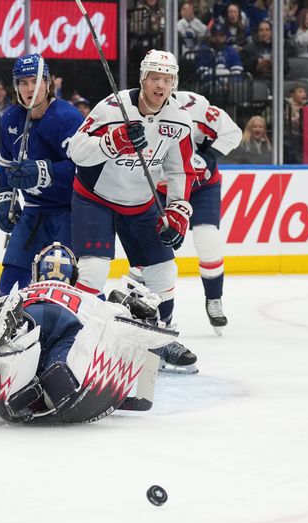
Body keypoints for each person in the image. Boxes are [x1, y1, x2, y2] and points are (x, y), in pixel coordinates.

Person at [67, 49, 199, 374]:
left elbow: (180, 169)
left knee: (163, 272)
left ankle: (159, 337)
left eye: (167, 79)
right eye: (155, 78)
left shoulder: (179, 120)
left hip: (141, 203)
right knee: (94, 271)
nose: (160, 85)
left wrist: (178, 210)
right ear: (143, 79)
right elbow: (75, 150)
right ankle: (76, 339)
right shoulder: (113, 109)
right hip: (95, 197)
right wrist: (111, 143)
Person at [0, 243, 176, 424]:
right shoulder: (83, 295)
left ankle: (12, 340)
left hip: (31, 314)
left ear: (37, 271)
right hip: (68, 323)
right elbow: (110, 322)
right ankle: (52, 383)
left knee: (16, 342)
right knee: (65, 365)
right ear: (73, 276)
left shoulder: (26, 291)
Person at [0, 53, 83, 297]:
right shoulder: (10, 118)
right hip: (33, 211)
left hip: (69, 212)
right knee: (9, 287)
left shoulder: (68, 117)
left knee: (64, 287)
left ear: (47, 82)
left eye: (35, 81)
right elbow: (5, 165)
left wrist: (46, 171)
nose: (29, 88)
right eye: (23, 82)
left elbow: (86, 169)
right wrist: (4, 200)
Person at [167, 90, 240, 334]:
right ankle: (148, 305)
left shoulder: (197, 107)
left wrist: (208, 157)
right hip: (163, 187)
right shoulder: (144, 110)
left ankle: (214, 298)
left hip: (202, 185)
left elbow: (233, 132)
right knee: (155, 245)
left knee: (208, 238)